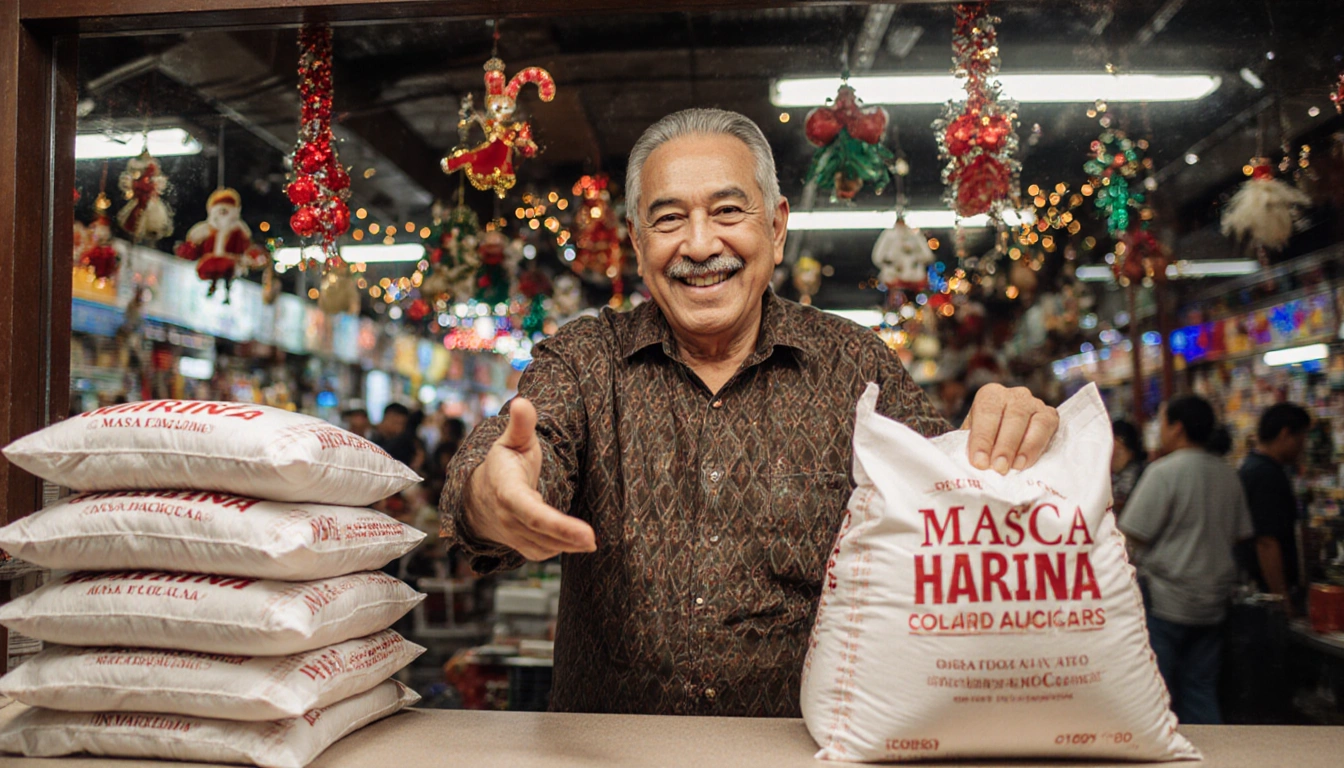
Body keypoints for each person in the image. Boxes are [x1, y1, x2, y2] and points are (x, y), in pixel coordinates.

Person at [439, 108, 1060, 717]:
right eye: (669, 219)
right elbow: (519, 451)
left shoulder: (856, 367)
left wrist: (1008, 441)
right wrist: (492, 496)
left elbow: (952, 500)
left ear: (777, 226)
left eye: (729, 211)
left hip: (810, 751)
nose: (701, 244)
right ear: (636, 239)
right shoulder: (584, 360)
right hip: (613, 755)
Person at [1119, 396, 1253, 725]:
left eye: (1162, 421)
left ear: (1177, 428)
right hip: (1213, 603)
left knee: (1156, 693)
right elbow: (1240, 535)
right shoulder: (1228, 474)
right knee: (1201, 690)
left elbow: (1132, 535)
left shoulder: (1163, 472)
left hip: (1165, 601)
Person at [1237, 403, 1310, 609]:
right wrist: (1281, 598)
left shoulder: (1251, 466)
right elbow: (1266, 542)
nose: (1302, 447)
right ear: (1285, 434)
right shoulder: (1266, 475)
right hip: (1266, 595)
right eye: (1301, 438)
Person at [1111, 419, 1146, 518]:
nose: (1112, 459)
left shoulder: (1134, 473)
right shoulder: (1112, 476)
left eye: (1118, 453)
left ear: (1131, 452)